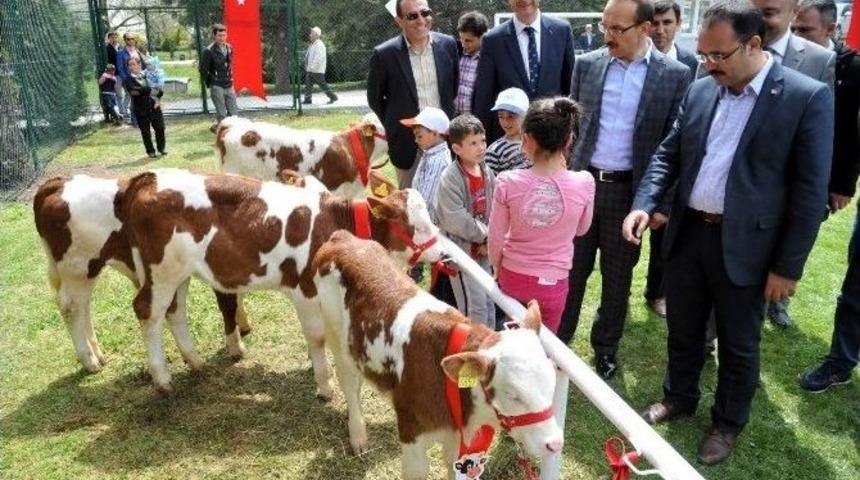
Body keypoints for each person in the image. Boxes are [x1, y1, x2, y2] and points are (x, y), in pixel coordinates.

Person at [623, 0, 833, 464]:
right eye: (704, 54)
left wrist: (787, 267)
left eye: (719, 55)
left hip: (749, 247)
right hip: (689, 235)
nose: (709, 64)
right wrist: (644, 204)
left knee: (739, 343)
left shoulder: (804, 97)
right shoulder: (701, 89)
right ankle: (679, 396)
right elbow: (669, 153)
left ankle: (727, 423)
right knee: (683, 328)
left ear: (754, 44)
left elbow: (809, 192)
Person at [559, 0, 691, 380]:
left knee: (617, 280)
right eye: (605, 27)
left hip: (629, 195)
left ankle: (605, 348)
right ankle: (558, 342)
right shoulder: (587, 65)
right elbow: (572, 129)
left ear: (645, 28)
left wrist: (662, 203)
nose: (607, 36)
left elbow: (676, 144)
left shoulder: (676, 75)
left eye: (617, 29)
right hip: (583, 186)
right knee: (571, 271)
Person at [749, 0, 836, 327]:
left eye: (768, 12)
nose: (759, 19)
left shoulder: (818, 60)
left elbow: (823, 137)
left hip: (781, 194)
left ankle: (776, 304)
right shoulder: (730, 45)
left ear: (794, 8)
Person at [793, 0, 860, 393]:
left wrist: (841, 183)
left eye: (806, 31)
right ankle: (840, 360)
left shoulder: (850, 68)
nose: (799, 38)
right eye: (796, 30)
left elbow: (848, 133)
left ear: (831, 30)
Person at [488, 97, 595, 333]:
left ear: (526, 139)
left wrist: (496, 268)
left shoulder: (507, 181)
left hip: (513, 277)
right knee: (546, 344)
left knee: (513, 340)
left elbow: (495, 239)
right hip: (553, 284)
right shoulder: (585, 182)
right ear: (568, 140)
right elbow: (582, 229)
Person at [641, 0, 700, 318]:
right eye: (655, 23)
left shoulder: (692, 63)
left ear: (679, 24)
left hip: (673, 162)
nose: (660, 30)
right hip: (637, 161)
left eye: (667, 22)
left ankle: (656, 292)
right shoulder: (636, 58)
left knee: (664, 237)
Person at [367, 0, 458, 189]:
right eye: (412, 16)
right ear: (399, 20)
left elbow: (452, 88)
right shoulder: (384, 55)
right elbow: (375, 99)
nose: (421, 20)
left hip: (444, 142)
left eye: (425, 13)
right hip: (408, 146)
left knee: (447, 199)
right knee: (410, 203)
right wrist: (396, 125)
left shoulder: (448, 45)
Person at [473, 0, 576, 143]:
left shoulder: (562, 30)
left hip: (553, 138)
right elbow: (484, 97)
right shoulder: (493, 40)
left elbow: (570, 88)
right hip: (511, 141)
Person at [435, 114, 495, 327]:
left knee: (489, 298)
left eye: (483, 141)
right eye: (473, 143)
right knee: (474, 305)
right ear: (457, 148)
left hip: (485, 250)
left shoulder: (487, 171)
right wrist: (486, 235)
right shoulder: (450, 178)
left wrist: (490, 241)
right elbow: (456, 218)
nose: (481, 147)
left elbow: (495, 207)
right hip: (462, 253)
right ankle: (474, 343)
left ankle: (490, 340)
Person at [400, 107, 451, 220]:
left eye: (419, 136)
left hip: (429, 221)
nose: (415, 140)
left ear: (435, 134)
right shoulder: (430, 154)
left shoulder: (438, 161)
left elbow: (426, 201)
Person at [199, 23, 239, 133]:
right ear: (214, 36)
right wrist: (211, 82)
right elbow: (203, 70)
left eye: (224, 35)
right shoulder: (208, 51)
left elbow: (229, 65)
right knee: (222, 114)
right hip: (217, 85)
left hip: (228, 84)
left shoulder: (229, 48)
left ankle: (217, 127)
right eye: (219, 36)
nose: (222, 38)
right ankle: (223, 136)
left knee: (234, 113)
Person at [124, 56, 167, 159]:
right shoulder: (128, 79)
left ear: (139, 65)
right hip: (140, 109)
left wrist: (156, 92)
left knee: (160, 127)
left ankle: (161, 148)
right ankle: (150, 151)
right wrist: (148, 90)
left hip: (154, 106)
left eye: (134, 64)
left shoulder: (148, 75)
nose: (131, 67)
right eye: (129, 65)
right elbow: (133, 91)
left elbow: (159, 91)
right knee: (145, 131)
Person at [485, 87, 531, 174]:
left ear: (526, 114)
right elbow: (491, 181)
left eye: (511, 116)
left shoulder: (536, 142)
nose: (505, 122)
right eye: (501, 116)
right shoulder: (494, 151)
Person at [454, 11, 489, 116]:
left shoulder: (489, 59)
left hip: (475, 118)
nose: (463, 44)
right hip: (454, 117)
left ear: (482, 37)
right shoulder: (456, 52)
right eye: (461, 39)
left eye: (468, 40)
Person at [303, 27, 338, 105]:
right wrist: (307, 65)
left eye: (312, 33)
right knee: (308, 84)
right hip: (310, 69)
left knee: (322, 85)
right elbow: (308, 55)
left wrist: (312, 67)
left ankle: (333, 97)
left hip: (316, 70)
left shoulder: (319, 45)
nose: (310, 35)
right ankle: (307, 99)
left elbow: (318, 58)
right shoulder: (313, 44)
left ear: (317, 35)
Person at [116, 32, 144, 126]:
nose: (131, 41)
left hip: (140, 78)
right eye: (128, 39)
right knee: (133, 99)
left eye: (132, 39)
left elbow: (142, 64)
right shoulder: (120, 53)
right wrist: (126, 80)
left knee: (141, 98)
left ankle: (141, 118)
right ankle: (134, 120)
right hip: (129, 79)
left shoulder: (137, 51)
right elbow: (120, 68)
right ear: (125, 40)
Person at [105, 31, 126, 118]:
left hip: (124, 73)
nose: (114, 39)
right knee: (119, 94)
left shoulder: (120, 47)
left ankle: (124, 107)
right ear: (109, 39)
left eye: (115, 37)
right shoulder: (107, 49)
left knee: (129, 91)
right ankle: (121, 110)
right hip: (116, 74)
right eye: (112, 38)